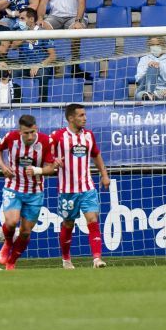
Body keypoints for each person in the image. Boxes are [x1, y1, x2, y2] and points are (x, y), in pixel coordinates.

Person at [51, 103, 111, 269]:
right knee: (68, 224)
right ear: (71, 118)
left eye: (85, 115)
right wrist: (51, 160)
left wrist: (104, 175)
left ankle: (97, 259)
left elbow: (96, 155)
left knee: (92, 219)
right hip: (67, 190)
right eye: (81, 115)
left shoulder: (89, 136)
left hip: (87, 187)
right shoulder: (58, 136)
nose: (85, 118)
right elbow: (43, 152)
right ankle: (66, 259)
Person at [0, 115, 58, 270]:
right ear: (20, 131)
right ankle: (8, 242)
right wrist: (2, 166)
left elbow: (52, 168)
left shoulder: (45, 141)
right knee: (11, 222)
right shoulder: (11, 137)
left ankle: (12, 261)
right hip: (13, 187)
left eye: (32, 132)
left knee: (25, 232)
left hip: (35, 192)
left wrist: (38, 170)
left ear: (36, 129)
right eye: (26, 133)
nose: (30, 136)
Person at [11, 7, 56, 102]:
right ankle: (15, 101)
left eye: (22, 18)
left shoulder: (44, 33)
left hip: (41, 66)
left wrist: (39, 65)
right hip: (24, 65)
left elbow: (52, 56)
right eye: (19, 18)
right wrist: (24, 38)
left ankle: (42, 102)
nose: (20, 21)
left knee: (42, 74)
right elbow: (13, 46)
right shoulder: (19, 32)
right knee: (14, 72)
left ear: (31, 19)